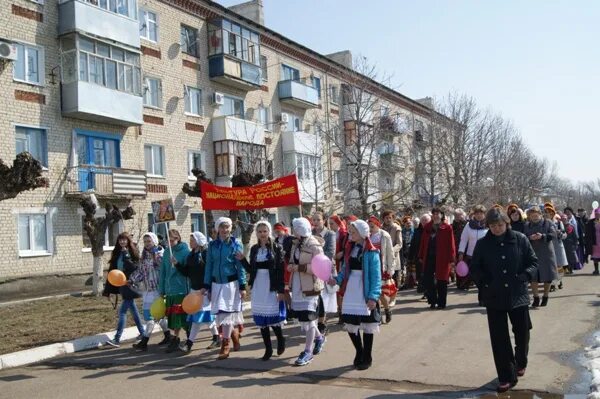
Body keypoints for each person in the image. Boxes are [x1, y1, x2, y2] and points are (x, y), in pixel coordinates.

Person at [470, 208, 538, 393]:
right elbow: (474, 267)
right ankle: (506, 376)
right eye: (493, 226)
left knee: (522, 332)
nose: (497, 229)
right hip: (494, 296)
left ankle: (520, 361)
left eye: (500, 225)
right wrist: (485, 283)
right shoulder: (483, 244)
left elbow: (533, 262)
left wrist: (525, 275)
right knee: (499, 338)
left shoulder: (520, 239)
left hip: (518, 294)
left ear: (507, 223)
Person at [330, 219, 382, 370]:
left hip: (364, 290)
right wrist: (337, 280)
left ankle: (367, 355)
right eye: (350, 231)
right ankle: (359, 351)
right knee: (351, 323)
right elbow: (345, 269)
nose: (350, 233)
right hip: (351, 289)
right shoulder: (350, 248)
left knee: (367, 325)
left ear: (362, 233)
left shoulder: (372, 252)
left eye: (353, 231)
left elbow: (376, 276)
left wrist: (373, 296)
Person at [238, 221, 286, 361]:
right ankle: (268, 349)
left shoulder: (277, 248)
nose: (262, 234)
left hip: (271, 285)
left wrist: (281, 289)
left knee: (272, 317)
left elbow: (280, 270)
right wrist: (242, 260)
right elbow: (251, 270)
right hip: (258, 285)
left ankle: (280, 339)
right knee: (262, 319)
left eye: (265, 231)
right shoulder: (254, 249)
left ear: (269, 232)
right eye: (260, 232)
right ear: (256, 234)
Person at [201, 217, 247, 360]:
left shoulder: (235, 244)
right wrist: (206, 285)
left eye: (227, 227)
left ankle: (225, 344)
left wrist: (242, 285)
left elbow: (240, 267)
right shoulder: (212, 246)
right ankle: (233, 335)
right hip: (216, 284)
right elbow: (208, 266)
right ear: (217, 229)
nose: (224, 230)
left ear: (230, 228)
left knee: (226, 314)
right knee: (221, 315)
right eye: (222, 227)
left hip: (230, 285)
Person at [288, 217, 326, 366]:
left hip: (310, 285)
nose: (293, 231)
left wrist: (299, 268)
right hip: (298, 284)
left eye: (295, 228)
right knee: (303, 318)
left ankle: (308, 351)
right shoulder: (295, 244)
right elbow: (293, 260)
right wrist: (291, 266)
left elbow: (320, 268)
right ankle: (319, 337)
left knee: (309, 318)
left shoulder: (315, 245)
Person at [176, 232, 220, 354]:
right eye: (190, 240)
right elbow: (187, 273)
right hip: (194, 290)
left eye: (192, 240)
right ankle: (217, 338)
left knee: (197, 318)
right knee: (205, 318)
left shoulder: (206, 254)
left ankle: (189, 344)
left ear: (199, 241)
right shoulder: (191, 255)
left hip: (204, 290)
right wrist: (177, 265)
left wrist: (209, 288)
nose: (190, 242)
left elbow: (210, 272)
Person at [104, 232, 145, 348]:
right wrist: (107, 291)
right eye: (120, 240)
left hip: (131, 285)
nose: (122, 242)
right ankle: (143, 333)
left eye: (124, 240)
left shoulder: (132, 252)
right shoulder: (116, 253)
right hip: (122, 285)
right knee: (133, 310)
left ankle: (117, 339)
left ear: (128, 241)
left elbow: (135, 268)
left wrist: (126, 255)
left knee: (122, 312)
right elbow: (112, 272)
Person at [130, 232, 169, 351]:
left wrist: (156, 257)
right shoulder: (144, 255)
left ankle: (144, 342)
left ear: (154, 241)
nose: (147, 244)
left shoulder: (160, 253)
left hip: (157, 289)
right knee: (151, 316)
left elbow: (163, 268)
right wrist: (131, 279)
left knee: (154, 316)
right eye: (145, 241)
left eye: (149, 241)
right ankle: (168, 335)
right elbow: (141, 272)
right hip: (147, 290)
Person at [159, 229, 191, 353]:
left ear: (178, 239)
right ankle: (176, 339)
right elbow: (163, 272)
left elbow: (187, 271)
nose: (170, 243)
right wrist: (161, 289)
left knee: (181, 316)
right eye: (168, 240)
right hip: (169, 289)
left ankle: (185, 338)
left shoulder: (185, 252)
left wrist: (177, 263)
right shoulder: (166, 252)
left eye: (172, 240)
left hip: (181, 289)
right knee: (173, 316)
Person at [418, 208, 456, 309]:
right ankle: (432, 301)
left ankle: (441, 302)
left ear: (442, 215)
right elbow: (423, 242)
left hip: (442, 258)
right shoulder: (427, 227)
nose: (435, 216)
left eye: (438, 214)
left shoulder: (447, 227)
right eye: (434, 214)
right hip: (429, 257)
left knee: (442, 280)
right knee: (428, 280)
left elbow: (451, 244)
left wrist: (452, 259)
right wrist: (421, 255)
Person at [523, 207, 557, 307]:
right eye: (532, 216)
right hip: (532, 254)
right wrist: (530, 238)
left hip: (547, 254)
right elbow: (523, 237)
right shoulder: (527, 225)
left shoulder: (548, 223)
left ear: (540, 214)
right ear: (529, 216)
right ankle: (536, 298)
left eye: (536, 215)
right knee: (533, 276)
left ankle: (545, 296)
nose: (535, 217)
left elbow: (554, 235)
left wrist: (542, 236)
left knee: (547, 276)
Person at [312, 212, 337, 335]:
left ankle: (323, 323)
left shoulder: (330, 234)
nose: (316, 222)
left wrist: (316, 258)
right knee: (317, 296)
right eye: (314, 220)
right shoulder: (310, 234)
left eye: (318, 220)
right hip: (313, 270)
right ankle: (319, 322)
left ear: (324, 220)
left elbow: (330, 252)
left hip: (326, 268)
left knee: (325, 297)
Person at [457, 205, 488, 304]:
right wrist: (461, 252)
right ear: (474, 214)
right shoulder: (468, 225)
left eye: (481, 213)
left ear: (484, 214)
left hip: (486, 256)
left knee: (485, 277)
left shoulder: (489, 224)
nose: (479, 215)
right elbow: (464, 239)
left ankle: (483, 298)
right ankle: (482, 294)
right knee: (476, 277)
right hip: (471, 256)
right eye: (477, 213)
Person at [368, 216, 395, 323]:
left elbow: (390, 253)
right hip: (370, 267)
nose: (370, 228)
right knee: (373, 293)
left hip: (381, 268)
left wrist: (390, 269)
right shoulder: (367, 236)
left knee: (380, 293)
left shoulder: (384, 235)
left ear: (377, 225)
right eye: (369, 226)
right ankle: (377, 315)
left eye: (372, 226)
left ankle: (387, 310)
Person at [329, 215, 348, 323]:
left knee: (341, 288)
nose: (330, 225)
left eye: (332, 223)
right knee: (335, 288)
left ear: (337, 223)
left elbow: (346, 249)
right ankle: (340, 311)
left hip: (340, 263)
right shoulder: (330, 233)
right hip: (333, 261)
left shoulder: (343, 233)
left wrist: (342, 253)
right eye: (330, 223)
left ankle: (342, 312)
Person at [274, 222, 294, 322]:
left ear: (283, 230)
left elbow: (292, 252)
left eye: (279, 231)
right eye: (276, 232)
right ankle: (288, 310)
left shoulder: (290, 239)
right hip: (281, 267)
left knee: (292, 289)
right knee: (284, 290)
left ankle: (294, 309)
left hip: (289, 266)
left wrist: (286, 254)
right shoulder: (276, 240)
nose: (278, 233)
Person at [381, 210, 403, 302]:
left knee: (394, 278)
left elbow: (399, 244)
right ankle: (386, 297)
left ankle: (393, 297)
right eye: (386, 218)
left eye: (390, 217)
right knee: (385, 278)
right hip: (383, 257)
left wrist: (391, 251)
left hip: (394, 256)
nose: (388, 219)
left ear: (393, 218)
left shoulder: (396, 228)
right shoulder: (381, 228)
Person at [544, 205, 568, 291]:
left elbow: (565, 235)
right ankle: (553, 284)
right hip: (548, 247)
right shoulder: (543, 223)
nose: (548, 214)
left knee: (559, 266)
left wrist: (560, 234)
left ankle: (560, 281)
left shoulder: (558, 222)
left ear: (553, 213)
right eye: (546, 212)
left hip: (558, 247)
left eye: (550, 212)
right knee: (551, 266)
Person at [408, 213, 431, 294]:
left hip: (430, 256)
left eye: (426, 220)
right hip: (419, 257)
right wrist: (410, 256)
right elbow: (413, 244)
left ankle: (427, 291)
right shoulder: (417, 231)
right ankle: (423, 289)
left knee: (428, 275)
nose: (425, 222)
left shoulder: (432, 230)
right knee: (420, 274)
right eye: (423, 221)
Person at [451, 209, 468, 284]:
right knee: (458, 264)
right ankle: (459, 282)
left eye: (459, 215)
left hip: (466, 247)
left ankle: (466, 282)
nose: (458, 217)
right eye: (456, 215)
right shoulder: (452, 226)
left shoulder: (467, 224)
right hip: (456, 247)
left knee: (466, 264)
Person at [400, 216, 414, 289]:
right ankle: (406, 282)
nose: (409, 224)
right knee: (406, 267)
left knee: (413, 266)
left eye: (410, 223)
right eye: (407, 223)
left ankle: (413, 281)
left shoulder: (414, 230)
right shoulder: (402, 232)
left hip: (413, 250)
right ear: (404, 224)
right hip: (405, 250)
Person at [585, 208, 600, 274]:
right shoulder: (591, 222)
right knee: (595, 256)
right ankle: (596, 270)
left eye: (598, 214)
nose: (597, 215)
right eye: (596, 214)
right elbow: (588, 231)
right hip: (594, 241)